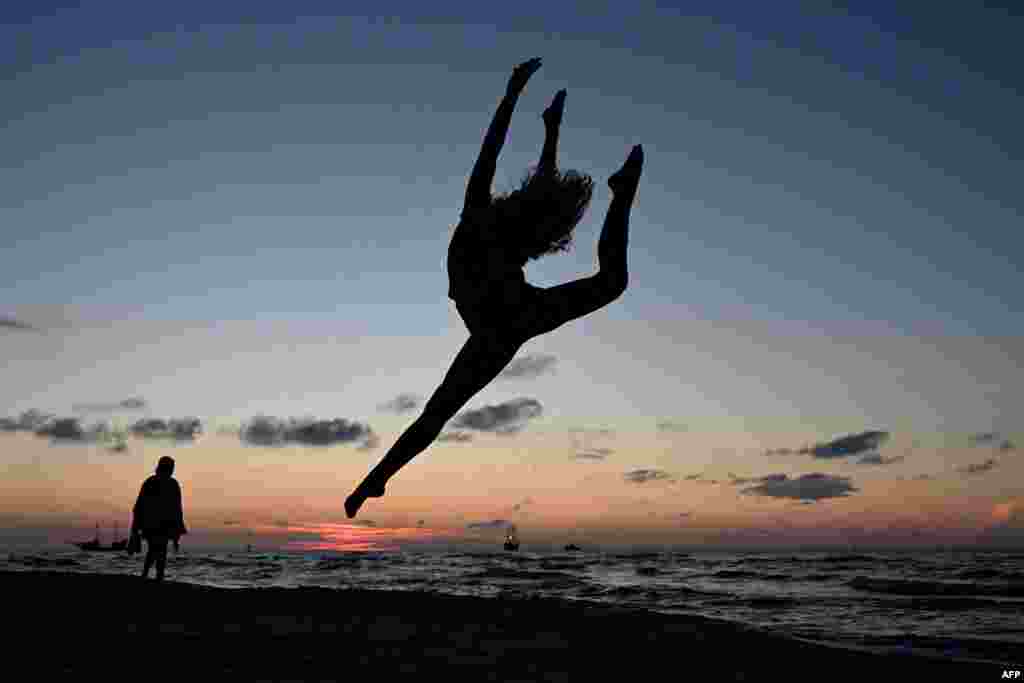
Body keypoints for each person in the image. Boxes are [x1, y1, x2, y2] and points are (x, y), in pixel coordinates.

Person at [345, 57, 644, 517]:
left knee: (436, 413)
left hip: (501, 323)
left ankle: (377, 478)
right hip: (512, 320)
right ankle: (622, 195)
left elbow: (497, 152)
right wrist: (538, 120)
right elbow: (513, 166)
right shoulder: (493, 223)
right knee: (612, 281)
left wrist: (516, 98)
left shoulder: (481, 216)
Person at [130, 455, 187, 581]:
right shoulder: (169, 484)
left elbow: (139, 507)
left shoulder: (152, 482)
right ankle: (155, 576)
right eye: (172, 467)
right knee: (159, 551)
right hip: (157, 525)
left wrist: (135, 529)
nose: (172, 470)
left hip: (155, 525)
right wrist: (177, 532)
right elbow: (177, 509)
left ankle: (149, 575)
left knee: (155, 550)